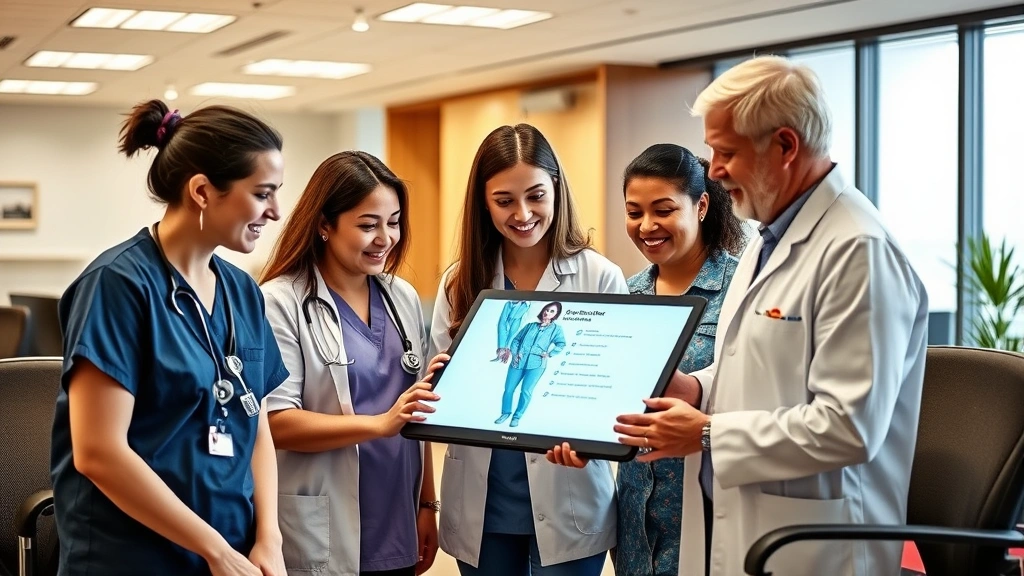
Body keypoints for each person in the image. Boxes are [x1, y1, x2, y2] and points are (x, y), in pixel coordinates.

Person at [613, 55, 929, 576]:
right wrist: (697, 388)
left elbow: (849, 426)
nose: (713, 170)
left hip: (820, 541)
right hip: (746, 522)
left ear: (785, 146)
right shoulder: (769, 240)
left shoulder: (858, 250)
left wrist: (709, 433)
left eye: (726, 152)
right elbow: (757, 365)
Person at [51, 100, 289, 576]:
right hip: (135, 555)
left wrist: (269, 538)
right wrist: (213, 550)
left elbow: (255, 418)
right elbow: (99, 451)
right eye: (263, 193)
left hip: (229, 548)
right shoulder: (117, 285)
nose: (276, 212)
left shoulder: (241, 291)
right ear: (202, 190)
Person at [429, 123, 628, 575]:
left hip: (570, 493)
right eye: (504, 201)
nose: (523, 213)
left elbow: (609, 390)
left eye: (536, 195)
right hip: (485, 500)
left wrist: (592, 440)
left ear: (556, 189)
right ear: (483, 202)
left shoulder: (600, 277)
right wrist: (443, 384)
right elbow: (436, 392)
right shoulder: (460, 282)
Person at [259, 151, 446, 576]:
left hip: (397, 518)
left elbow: (419, 413)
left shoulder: (402, 298)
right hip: (324, 527)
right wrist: (379, 423)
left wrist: (426, 504)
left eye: (394, 222)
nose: (385, 238)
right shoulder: (280, 302)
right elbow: (275, 423)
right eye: (368, 225)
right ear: (324, 224)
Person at [614, 144, 744, 576]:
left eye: (663, 210)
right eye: (634, 212)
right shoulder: (625, 296)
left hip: (709, 507)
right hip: (636, 517)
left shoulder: (744, 289)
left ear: (701, 205)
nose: (647, 226)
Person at [496, 301, 566, 426]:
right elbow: (516, 340)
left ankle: (517, 417)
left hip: (537, 365)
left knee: (526, 391)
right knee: (509, 389)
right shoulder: (530, 326)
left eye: (552, 311)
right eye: (547, 309)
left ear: (555, 315)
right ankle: (505, 413)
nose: (547, 312)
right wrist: (516, 353)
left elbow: (561, 344)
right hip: (518, 362)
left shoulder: (556, 329)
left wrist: (549, 353)